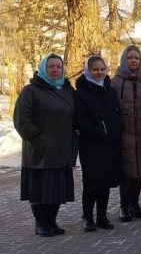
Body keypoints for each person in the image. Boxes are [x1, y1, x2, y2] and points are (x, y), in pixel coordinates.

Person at [15, 54, 78, 237]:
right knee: (40, 188)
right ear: (43, 68)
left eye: (58, 66)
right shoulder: (31, 91)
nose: (55, 70)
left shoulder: (67, 90)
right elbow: (21, 119)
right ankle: (41, 223)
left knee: (56, 188)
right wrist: (37, 140)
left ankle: (52, 220)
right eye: (51, 66)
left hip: (62, 149)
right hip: (40, 151)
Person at [74, 56, 125, 232]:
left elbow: (116, 112)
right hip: (91, 144)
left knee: (105, 181)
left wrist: (117, 126)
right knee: (91, 182)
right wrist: (96, 130)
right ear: (88, 71)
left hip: (110, 143)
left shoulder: (109, 90)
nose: (99, 72)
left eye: (102, 69)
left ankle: (102, 216)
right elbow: (78, 119)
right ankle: (88, 217)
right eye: (95, 69)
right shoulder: (81, 92)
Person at [111, 45, 141, 221]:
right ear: (124, 59)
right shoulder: (114, 83)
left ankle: (134, 204)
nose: (133, 61)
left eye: (136, 58)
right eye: (130, 57)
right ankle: (124, 206)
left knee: (140, 170)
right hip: (124, 133)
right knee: (126, 171)